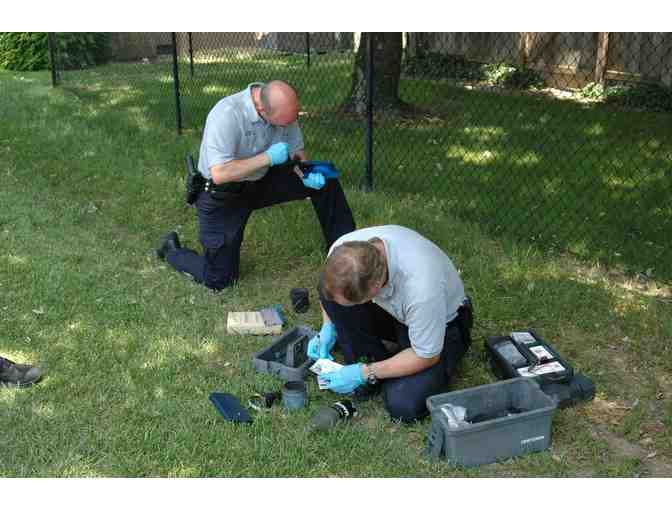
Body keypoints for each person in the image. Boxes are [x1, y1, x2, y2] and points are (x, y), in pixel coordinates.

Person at [157, 80, 356, 291]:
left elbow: (297, 153)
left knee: (326, 179)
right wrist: (267, 158)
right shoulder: (226, 115)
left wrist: (305, 173)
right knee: (219, 279)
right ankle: (171, 250)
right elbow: (220, 173)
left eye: (292, 120)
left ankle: (346, 253)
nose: (289, 125)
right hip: (224, 193)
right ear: (261, 109)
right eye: (283, 124)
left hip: (262, 180)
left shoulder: (283, 112)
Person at [308, 225, 473, 423]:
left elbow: (426, 355)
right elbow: (329, 291)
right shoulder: (342, 250)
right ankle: (373, 359)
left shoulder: (421, 288)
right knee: (333, 292)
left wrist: (364, 372)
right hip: (395, 310)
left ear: (375, 287)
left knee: (403, 403)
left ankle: (375, 366)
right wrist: (328, 327)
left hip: (443, 321)